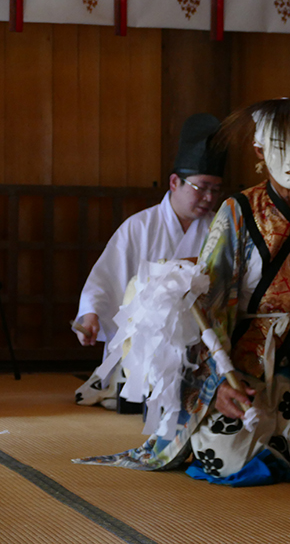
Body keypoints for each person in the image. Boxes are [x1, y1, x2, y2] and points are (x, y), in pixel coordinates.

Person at [75, 99, 290, 487]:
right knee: (225, 456)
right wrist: (218, 382)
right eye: (278, 146)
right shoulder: (238, 210)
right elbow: (209, 306)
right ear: (259, 151)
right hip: (250, 368)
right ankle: (284, 441)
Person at [73, 114, 227, 410]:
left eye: (216, 190)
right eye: (202, 187)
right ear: (174, 182)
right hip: (143, 345)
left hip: (199, 343)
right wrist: (91, 314)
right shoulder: (140, 227)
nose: (209, 197)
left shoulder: (220, 229)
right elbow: (106, 276)